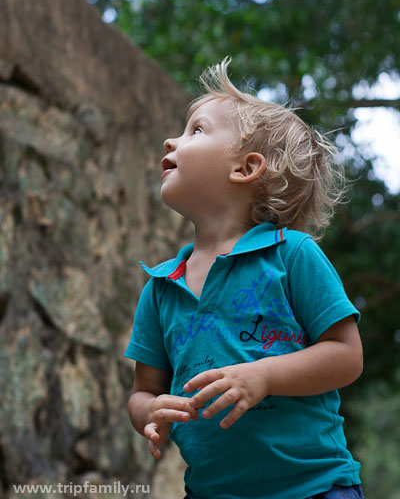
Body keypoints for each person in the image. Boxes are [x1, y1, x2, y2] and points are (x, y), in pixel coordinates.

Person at [125, 57, 364, 499]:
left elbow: (347, 356)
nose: (170, 140)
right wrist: (149, 411)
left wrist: (264, 376)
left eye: (195, 130)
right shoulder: (161, 288)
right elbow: (143, 391)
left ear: (245, 168)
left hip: (314, 487)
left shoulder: (291, 255)